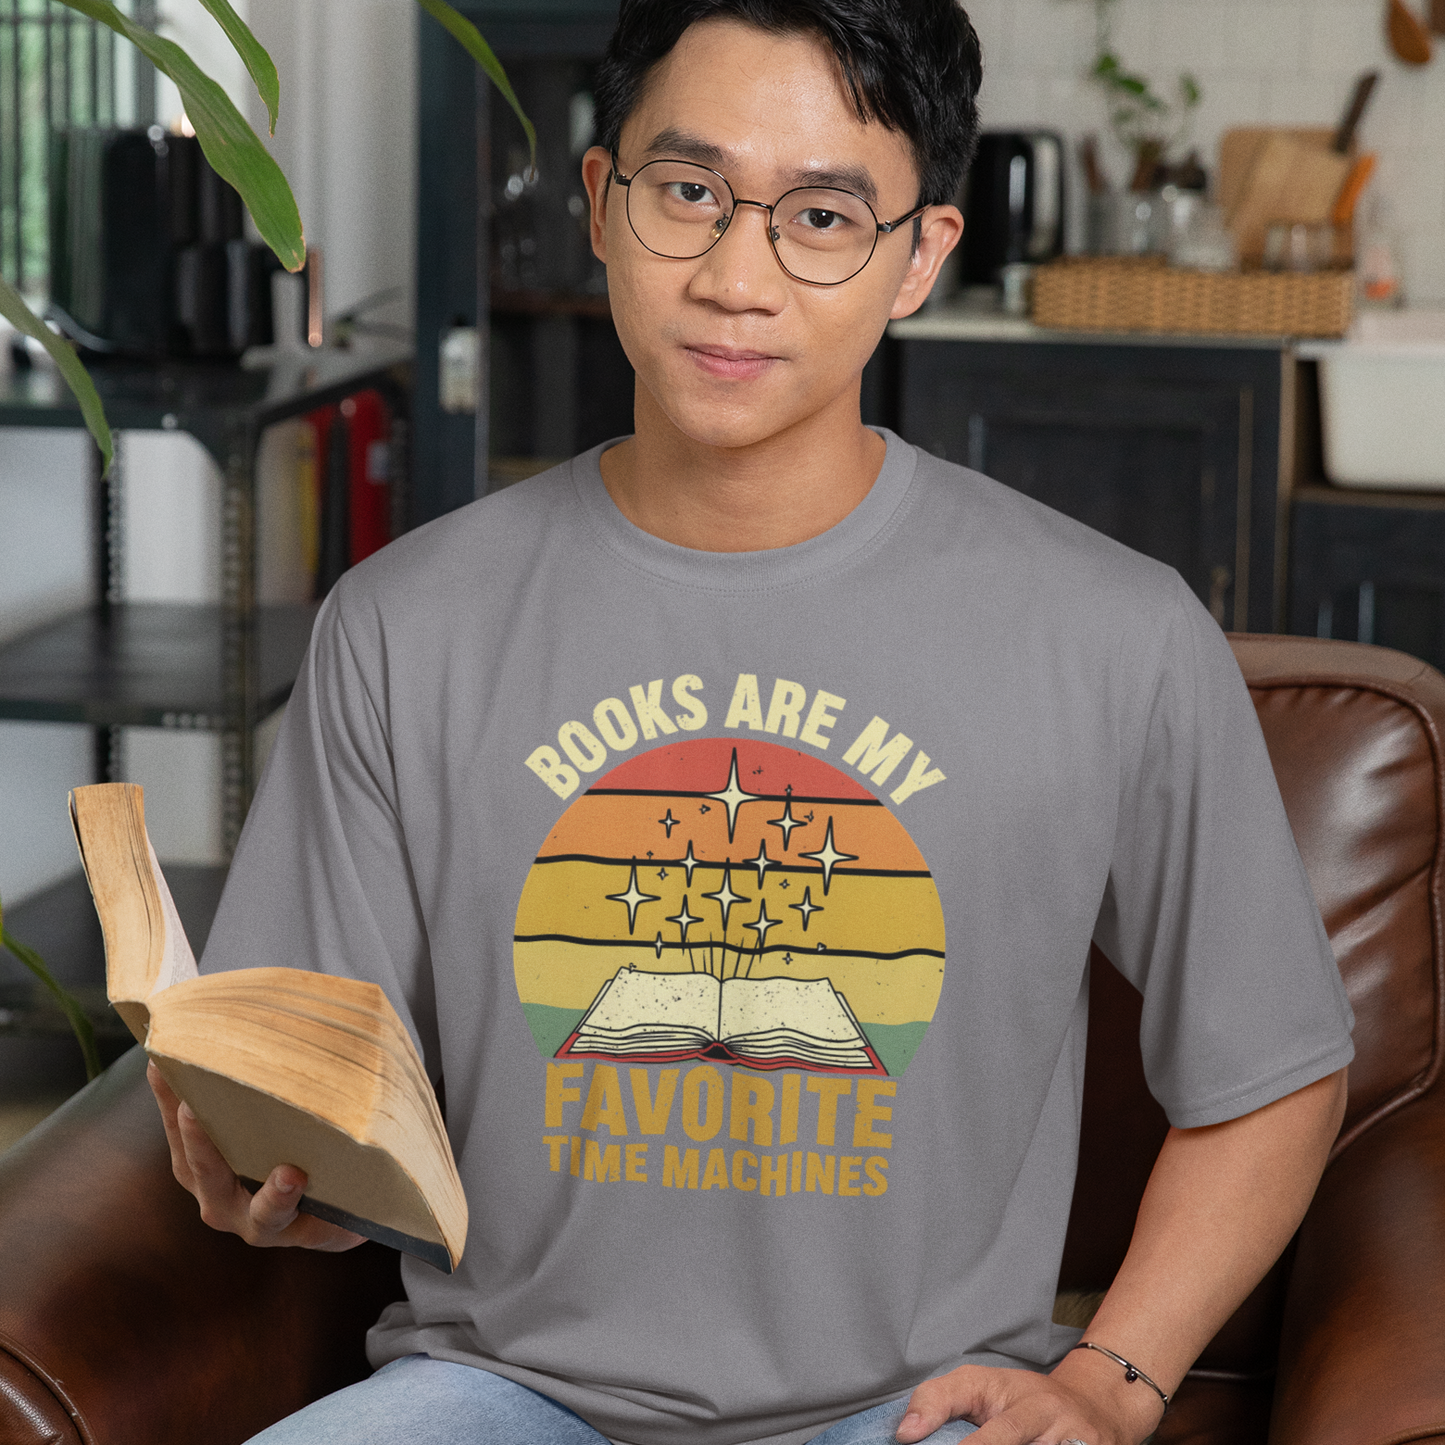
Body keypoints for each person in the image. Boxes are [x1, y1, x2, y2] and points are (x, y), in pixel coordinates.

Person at [149, 2, 1354, 1443]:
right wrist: (276, 1179)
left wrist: (1112, 1377)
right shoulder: (403, 627)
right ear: (600, 207)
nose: (738, 276)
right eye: (690, 193)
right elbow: (314, 1092)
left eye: (825, 216)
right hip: (502, 1391)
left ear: (921, 257)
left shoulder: (1118, 635)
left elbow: (1275, 1066)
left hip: (918, 1410)